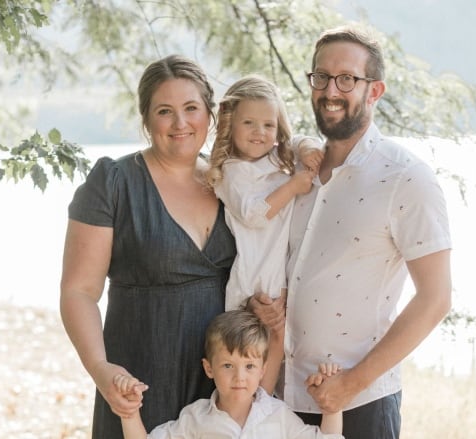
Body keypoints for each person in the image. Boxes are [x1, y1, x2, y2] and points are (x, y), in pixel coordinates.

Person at [249, 25, 453, 438]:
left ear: (374, 91)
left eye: (347, 79)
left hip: (358, 404)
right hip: (279, 402)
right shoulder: (296, 175)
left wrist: (350, 385)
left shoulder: (406, 178)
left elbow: (436, 299)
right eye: (320, 77)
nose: (330, 91)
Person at [59, 54, 236, 438]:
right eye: (164, 111)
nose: (180, 123)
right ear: (146, 119)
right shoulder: (113, 183)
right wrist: (101, 369)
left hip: (224, 384)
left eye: (191, 108)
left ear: (210, 113)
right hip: (139, 380)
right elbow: (78, 291)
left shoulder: (233, 182)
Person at [205, 74, 321, 391]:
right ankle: (250, 412)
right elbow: (254, 214)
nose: (260, 133)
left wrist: (308, 145)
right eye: (249, 124)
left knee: (277, 355)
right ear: (231, 125)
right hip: (252, 280)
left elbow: (295, 141)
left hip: (278, 274)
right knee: (246, 362)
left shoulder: (276, 157)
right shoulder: (231, 170)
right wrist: (294, 185)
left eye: (268, 125)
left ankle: (264, 413)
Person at [113, 310, 344, 439]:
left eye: (249, 366)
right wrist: (129, 413)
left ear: (263, 369)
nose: (239, 377)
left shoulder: (278, 415)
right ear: (208, 368)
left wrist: (332, 407)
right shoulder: (196, 419)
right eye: (227, 366)